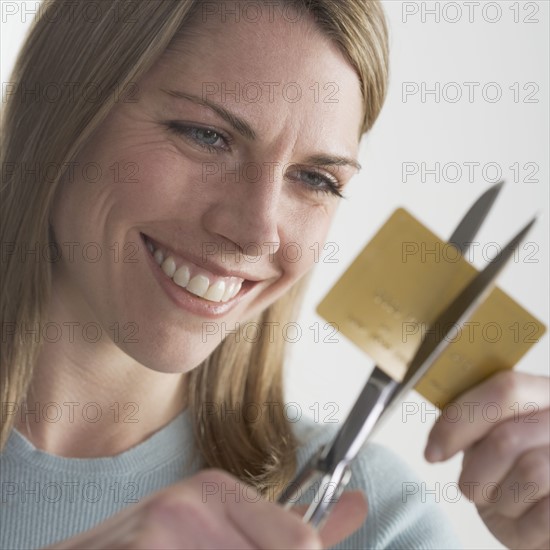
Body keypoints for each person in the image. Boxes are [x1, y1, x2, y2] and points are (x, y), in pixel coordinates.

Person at [1, 1, 548, 549]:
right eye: (206, 135)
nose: (258, 233)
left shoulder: (375, 518)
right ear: (62, 113)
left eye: (314, 179)